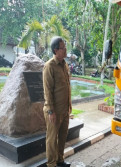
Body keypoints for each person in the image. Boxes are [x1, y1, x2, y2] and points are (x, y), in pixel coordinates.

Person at [43, 36, 71, 167]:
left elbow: (67, 87)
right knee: (52, 139)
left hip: (64, 110)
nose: (65, 50)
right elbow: (47, 90)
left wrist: (69, 106)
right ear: (55, 50)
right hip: (54, 111)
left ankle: (60, 160)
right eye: (62, 48)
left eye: (65, 47)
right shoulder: (49, 66)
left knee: (62, 136)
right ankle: (51, 164)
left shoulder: (65, 65)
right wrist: (50, 111)